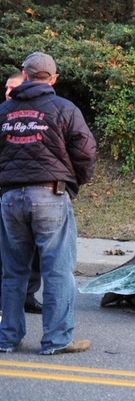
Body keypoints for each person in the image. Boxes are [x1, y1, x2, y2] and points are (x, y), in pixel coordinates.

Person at [0, 52, 96, 354]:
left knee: (13, 272)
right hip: (49, 195)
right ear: (53, 79)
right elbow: (86, 152)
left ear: (24, 75)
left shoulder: (3, 111)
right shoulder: (64, 109)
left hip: (10, 197)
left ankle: (7, 338)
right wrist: (71, 183)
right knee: (57, 270)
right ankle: (56, 340)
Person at [0, 71, 43, 314]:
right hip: (8, 192)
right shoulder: (2, 115)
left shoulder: (37, 116)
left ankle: (28, 295)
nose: (9, 92)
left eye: (14, 87)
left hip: (30, 193)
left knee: (35, 250)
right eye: (7, 87)